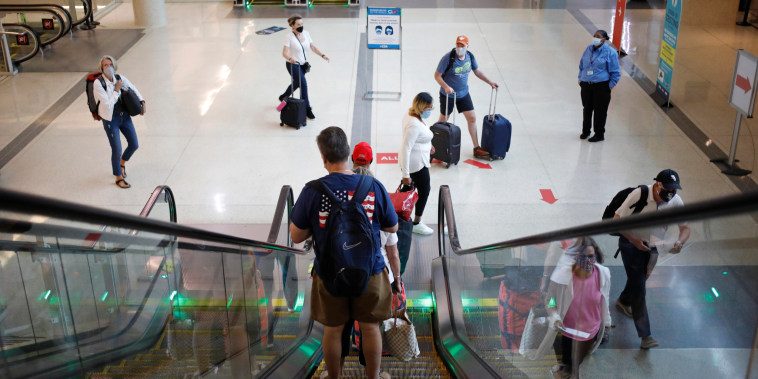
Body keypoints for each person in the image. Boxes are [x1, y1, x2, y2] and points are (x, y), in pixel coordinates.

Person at [290, 127, 398, 379]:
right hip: (370, 270)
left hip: (329, 273)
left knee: (333, 329)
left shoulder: (313, 191)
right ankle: (373, 377)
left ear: (323, 157)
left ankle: (334, 377)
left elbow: (296, 236)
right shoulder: (373, 186)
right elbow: (392, 226)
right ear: (348, 153)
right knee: (371, 328)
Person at [613, 169, 691, 349]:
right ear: (657, 185)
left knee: (640, 278)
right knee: (639, 287)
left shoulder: (675, 201)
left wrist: (679, 242)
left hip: (654, 247)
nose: (670, 194)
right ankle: (645, 336)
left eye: (674, 190)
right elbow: (616, 219)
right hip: (630, 244)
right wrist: (633, 239)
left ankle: (623, 300)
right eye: (667, 189)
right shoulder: (638, 195)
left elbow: (685, 228)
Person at [543, 237, 611, 379]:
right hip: (566, 330)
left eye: (591, 256)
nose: (587, 260)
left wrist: (607, 322)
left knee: (577, 364)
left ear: (596, 256)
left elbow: (605, 299)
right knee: (568, 364)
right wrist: (554, 316)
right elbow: (550, 299)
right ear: (575, 257)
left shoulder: (603, 274)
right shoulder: (562, 276)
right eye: (582, 257)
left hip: (589, 331)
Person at [434, 35, 499, 159]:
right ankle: (435, 146)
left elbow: (478, 72)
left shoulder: (470, 56)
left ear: (467, 46)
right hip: (448, 94)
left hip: (463, 94)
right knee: (443, 120)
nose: (460, 47)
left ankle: (476, 148)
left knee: (472, 118)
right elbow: (437, 76)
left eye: (462, 45)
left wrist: (490, 82)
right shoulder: (448, 58)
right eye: (458, 44)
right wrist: (446, 86)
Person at [93, 55, 145, 189]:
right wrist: (116, 89)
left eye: (110, 64)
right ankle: (118, 176)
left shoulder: (119, 77)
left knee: (134, 144)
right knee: (117, 148)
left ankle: (122, 163)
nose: (108, 67)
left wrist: (142, 101)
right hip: (111, 119)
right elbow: (107, 105)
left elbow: (132, 88)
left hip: (125, 116)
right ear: (101, 68)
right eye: (105, 65)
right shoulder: (99, 83)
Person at [279, 15, 330, 120]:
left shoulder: (306, 33)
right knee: (303, 84)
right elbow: (284, 52)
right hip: (293, 65)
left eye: (302, 24)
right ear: (292, 26)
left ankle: (284, 96)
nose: (301, 26)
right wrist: (290, 58)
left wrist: (322, 55)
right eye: (298, 24)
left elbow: (313, 47)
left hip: (302, 65)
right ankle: (307, 109)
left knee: (297, 83)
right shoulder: (289, 36)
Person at [399, 92, 435, 235]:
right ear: (421, 107)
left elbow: (421, 134)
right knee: (424, 191)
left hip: (417, 161)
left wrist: (429, 144)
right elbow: (405, 148)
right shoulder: (414, 124)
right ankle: (416, 223)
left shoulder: (413, 115)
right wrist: (405, 174)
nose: (430, 111)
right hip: (416, 165)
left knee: (406, 192)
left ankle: (398, 219)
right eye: (429, 108)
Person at [578, 30, 621, 142]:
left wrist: (609, 86)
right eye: (594, 36)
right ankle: (585, 131)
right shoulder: (588, 49)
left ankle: (599, 134)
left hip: (601, 87)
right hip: (587, 85)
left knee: (600, 111)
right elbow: (582, 65)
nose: (595, 38)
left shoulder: (610, 52)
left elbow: (616, 72)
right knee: (587, 109)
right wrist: (580, 79)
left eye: (598, 36)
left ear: (604, 39)